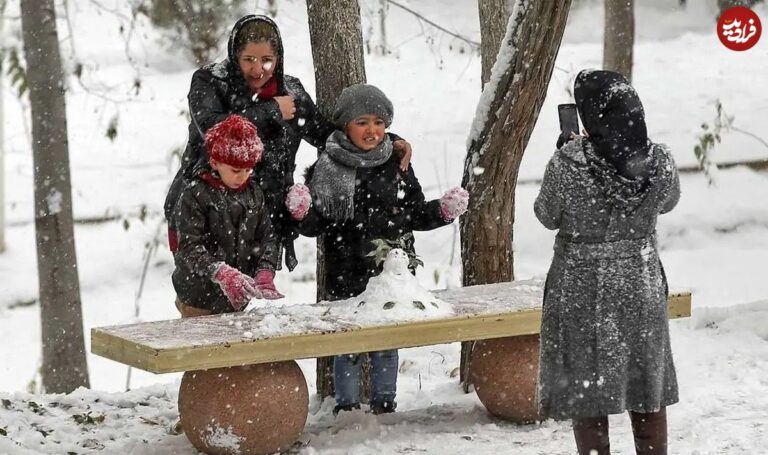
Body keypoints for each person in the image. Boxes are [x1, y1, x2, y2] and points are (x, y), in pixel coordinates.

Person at [164, 15, 413, 271]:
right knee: (202, 293)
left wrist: (387, 141)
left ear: (278, 57)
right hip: (205, 208)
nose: (258, 69)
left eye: (267, 60)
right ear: (234, 55)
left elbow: (328, 136)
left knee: (240, 298)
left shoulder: (291, 93)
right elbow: (212, 127)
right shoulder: (210, 81)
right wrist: (271, 110)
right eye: (248, 59)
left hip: (260, 220)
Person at [284, 84, 469, 414]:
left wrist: (441, 210)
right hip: (345, 270)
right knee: (348, 345)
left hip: (389, 273)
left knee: (385, 344)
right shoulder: (327, 167)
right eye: (362, 122)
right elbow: (318, 226)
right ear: (345, 126)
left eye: (379, 122)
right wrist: (302, 213)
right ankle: (346, 408)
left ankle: (385, 405)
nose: (372, 131)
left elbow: (411, 211)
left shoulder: (396, 162)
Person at [534, 69, 681, 455]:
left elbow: (546, 215)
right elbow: (668, 202)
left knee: (587, 391)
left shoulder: (569, 164)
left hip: (579, 288)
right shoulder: (660, 160)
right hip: (640, 283)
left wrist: (566, 152)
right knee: (646, 385)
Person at [172, 115, 284, 318]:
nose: (242, 177)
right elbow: (188, 247)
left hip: (237, 299)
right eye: (235, 170)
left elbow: (268, 236)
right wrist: (220, 272)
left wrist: (265, 269)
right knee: (201, 346)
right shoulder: (195, 194)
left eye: (249, 170)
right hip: (198, 296)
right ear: (215, 162)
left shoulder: (254, 193)